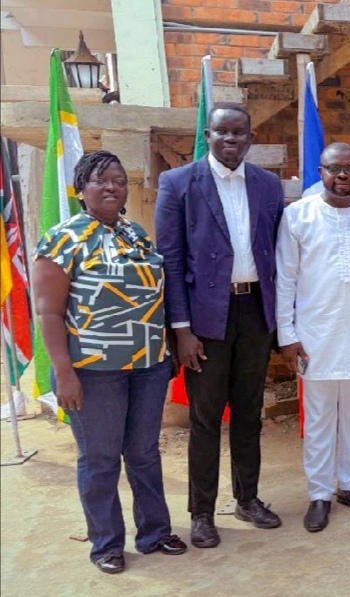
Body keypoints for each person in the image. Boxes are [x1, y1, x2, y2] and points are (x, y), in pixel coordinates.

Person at [33, 151, 186, 574]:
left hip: (149, 366)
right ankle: (106, 544)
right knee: (100, 459)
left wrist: (167, 348)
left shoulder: (135, 234)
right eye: (100, 180)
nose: (111, 187)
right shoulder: (63, 239)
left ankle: (154, 533)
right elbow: (49, 313)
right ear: (81, 189)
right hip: (92, 371)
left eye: (118, 180)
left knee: (144, 453)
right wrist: (64, 373)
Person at [155, 102, 285, 547]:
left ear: (251, 138)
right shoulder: (178, 182)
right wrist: (181, 329)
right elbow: (170, 261)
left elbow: (278, 252)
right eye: (222, 132)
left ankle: (247, 499)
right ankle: (202, 513)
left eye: (239, 132)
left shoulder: (268, 185)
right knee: (206, 419)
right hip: (205, 319)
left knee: (249, 413)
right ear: (207, 136)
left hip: (255, 313)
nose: (230, 139)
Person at [276, 143, 350, 531]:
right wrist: (287, 334)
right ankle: (319, 493)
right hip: (315, 335)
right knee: (320, 419)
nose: (342, 175)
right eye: (334, 168)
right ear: (321, 172)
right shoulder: (298, 215)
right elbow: (285, 279)